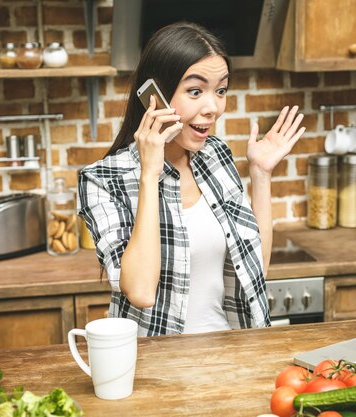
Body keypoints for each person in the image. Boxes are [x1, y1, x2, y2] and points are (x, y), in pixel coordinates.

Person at [78, 22, 305, 336]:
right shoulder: (104, 179)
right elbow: (141, 292)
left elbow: (255, 273)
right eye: (195, 91)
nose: (213, 108)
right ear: (154, 96)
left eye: (221, 90)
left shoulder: (216, 157)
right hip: (160, 367)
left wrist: (261, 174)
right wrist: (149, 174)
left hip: (234, 352)